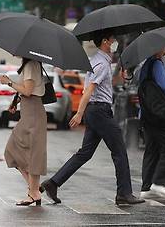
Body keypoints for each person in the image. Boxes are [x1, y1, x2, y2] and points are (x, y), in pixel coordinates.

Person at [39, 31, 144, 205]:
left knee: (85, 153)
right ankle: (124, 193)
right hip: (99, 111)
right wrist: (79, 113)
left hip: (96, 111)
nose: (115, 42)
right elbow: (89, 90)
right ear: (105, 42)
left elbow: (106, 86)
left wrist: (125, 75)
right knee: (119, 150)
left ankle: (53, 183)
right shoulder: (101, 64)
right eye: (113, 39)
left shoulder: (98, 60)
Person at [0, 57, 47, 206]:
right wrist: (15, 102)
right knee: (15, 151)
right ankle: (35, 189)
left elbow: (29, 91)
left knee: (31, 152)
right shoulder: (29, 65)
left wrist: (9, 82)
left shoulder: (31, 64)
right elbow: (26, 91)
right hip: (29, 110)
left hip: (33, 112)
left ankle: (34, 192)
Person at [137, 47, 165, 199]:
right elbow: (164, 84)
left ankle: (147, 186)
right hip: (158, 115)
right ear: (158, 49)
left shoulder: (147, 65)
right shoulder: (156, 64)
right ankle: (160, 183)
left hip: (147, 114)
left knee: (153, 149)